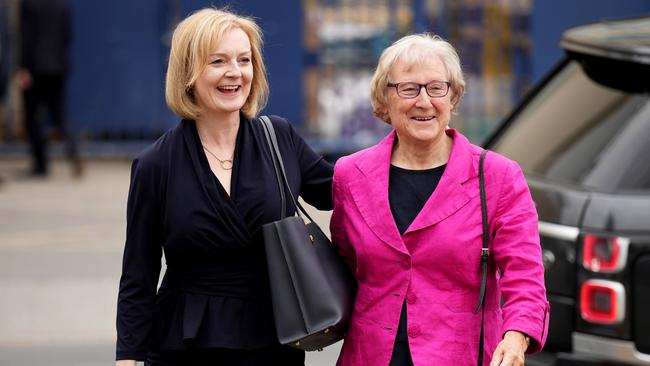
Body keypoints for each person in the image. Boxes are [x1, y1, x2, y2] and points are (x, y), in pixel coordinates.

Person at [115, 7, 333, 366]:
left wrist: (411, 150)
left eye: (244, 60)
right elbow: (138, 273)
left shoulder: (279, 138)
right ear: (188, 74)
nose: (235, 73)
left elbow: (345, 190)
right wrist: (127, 359)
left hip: (275, 339)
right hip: (186, 343)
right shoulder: (156, 164)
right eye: (218, 61)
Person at [330, 33, 549, 366]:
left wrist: (516, 337)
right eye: (408, 88)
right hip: (370, 356)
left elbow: (525, 274)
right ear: (384, 99)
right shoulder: (350, 175)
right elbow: (345, 264)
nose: (424, 101)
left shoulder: (498, 176)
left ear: (453, 96)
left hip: (460, 356)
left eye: (436, 88)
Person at [18, 0, 82, 177]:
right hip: (57, 67)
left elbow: (27, 36)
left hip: (35, 68)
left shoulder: (29, 4)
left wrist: (24, 67)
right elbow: (66, 35)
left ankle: (40, 163)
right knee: (60, 114)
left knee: (31, 116)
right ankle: (73, 152)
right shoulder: (61, 4)